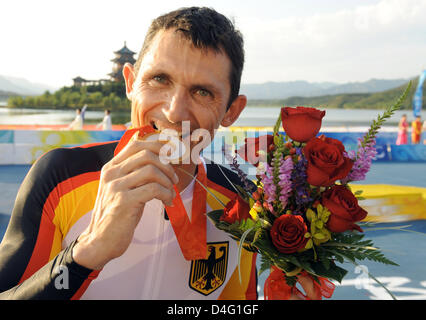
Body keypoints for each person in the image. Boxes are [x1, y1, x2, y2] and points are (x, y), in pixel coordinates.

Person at [0, 7, 318, 300]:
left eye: (202, 91)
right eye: (159, 79)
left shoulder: (243, 202)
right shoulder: (60, 176)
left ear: (231, 111)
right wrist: (86, 253)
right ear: (131, 82)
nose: (174, 111)